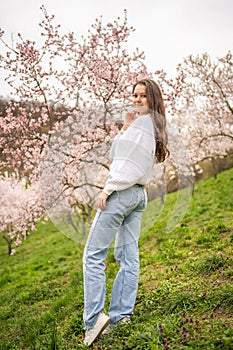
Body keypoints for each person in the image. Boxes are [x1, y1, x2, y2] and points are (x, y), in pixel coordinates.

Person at [83, 78, 169, 346]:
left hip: (121, 193)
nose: (136, 100)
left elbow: (125, 167)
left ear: (152, 99)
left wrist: (108, 190)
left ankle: (94, 320)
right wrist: (125, 126)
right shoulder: (148, 125)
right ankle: (121, 316)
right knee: (127, 257)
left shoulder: (144, 125)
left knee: (93, 256)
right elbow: (115, 154)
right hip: (138, 195)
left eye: (143, 96)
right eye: (134, 95)